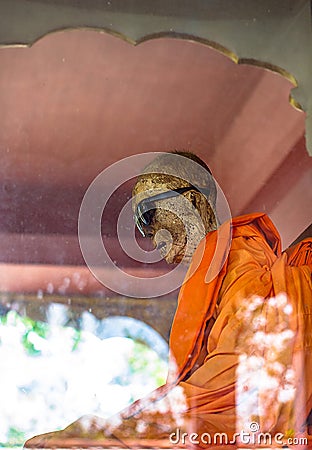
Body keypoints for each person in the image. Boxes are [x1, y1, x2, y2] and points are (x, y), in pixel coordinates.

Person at [25, 151, 312, 448]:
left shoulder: (237, 251)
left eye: (150, 214)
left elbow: (243, 370)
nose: (150, 235)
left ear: (196, 202)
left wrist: (141, 422)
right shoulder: (208, 272)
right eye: (141, 226)